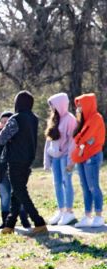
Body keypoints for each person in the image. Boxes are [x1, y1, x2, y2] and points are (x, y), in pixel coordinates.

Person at [0, 90, 47, 235]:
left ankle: (38, 222)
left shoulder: (15, 118)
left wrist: (6, 133)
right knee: (16, 192)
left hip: (15, 160)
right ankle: (10, 225)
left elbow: (1, 138)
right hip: (28, 160)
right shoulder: (34, 118)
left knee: (19, 191)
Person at [0, 111, 30, 229]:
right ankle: (5, 222)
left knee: (18, 194)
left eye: (7, 122)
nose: (5, 124)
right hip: (0, 172)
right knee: (5, 196)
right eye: (3, 122)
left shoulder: (17, 136)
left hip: (15, 171)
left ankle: (24, 219)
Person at [67, 93, 105, 228]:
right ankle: (87, 215)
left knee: (93, 186)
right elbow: (77, 137)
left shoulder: (96, 118)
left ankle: (99, 215)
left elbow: (83, 138)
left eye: (80, 106)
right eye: (77, 106)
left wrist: (79, 139)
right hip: (82, 156)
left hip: (92, 156)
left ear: (87, 105)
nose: (78, 109)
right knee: (85, 187)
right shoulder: (83, 120)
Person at [43, 93, 78, 225]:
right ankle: (61, 210)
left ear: (60, 104)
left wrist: (70, 161)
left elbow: (72, 142)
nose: (51, 108)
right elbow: (48, 140)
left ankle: (69, 212)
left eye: (53, 105)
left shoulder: (70, 119)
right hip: (55, 158)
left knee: (66, 182)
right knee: (57, 184)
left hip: (65, 156)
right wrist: (47, 160)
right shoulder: (53, 119)